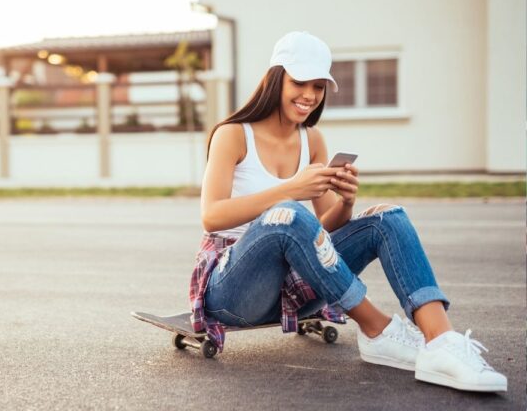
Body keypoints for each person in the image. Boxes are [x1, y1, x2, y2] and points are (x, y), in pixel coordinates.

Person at [189, 31, 507, 392]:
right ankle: (377, 328)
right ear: (275, 78)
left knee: (388, 218)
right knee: (289, 214)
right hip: (234, 291)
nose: (309, 95)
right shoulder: (233, 134)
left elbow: (320, 230)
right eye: (299, 82)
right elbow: (211, 215)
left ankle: (442, 343)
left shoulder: (313, 139)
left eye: (319, 86)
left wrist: (346, 202)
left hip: (293, 289)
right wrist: (291, 191)